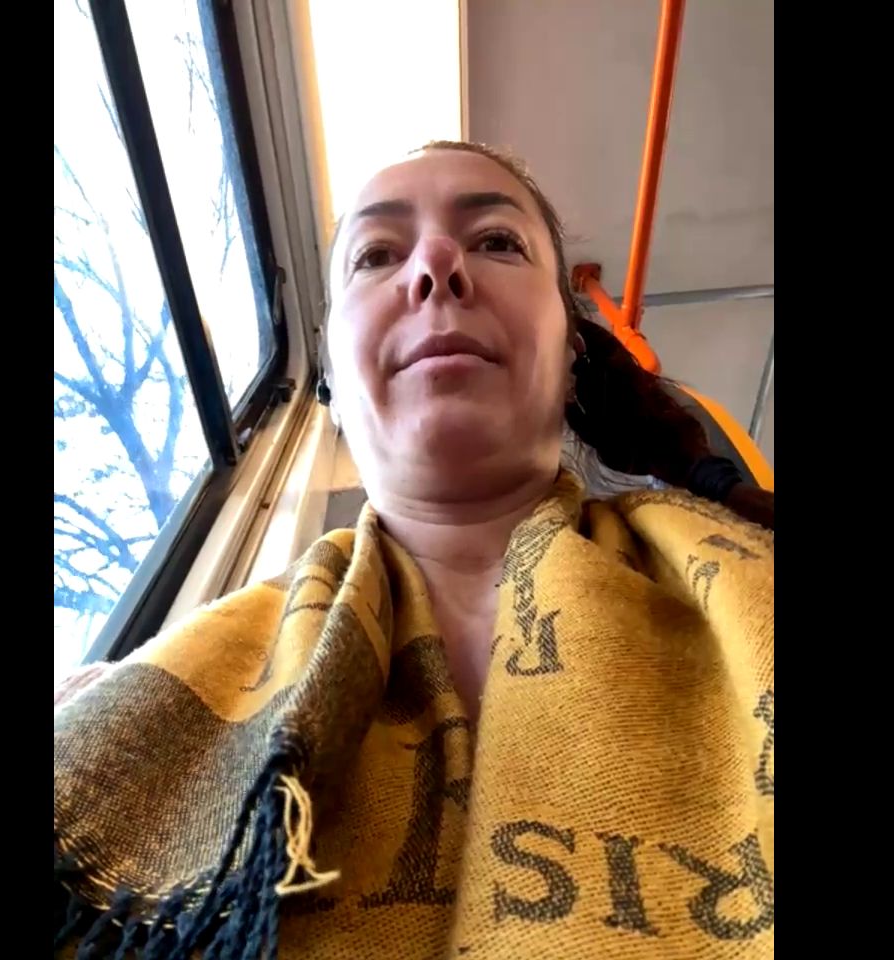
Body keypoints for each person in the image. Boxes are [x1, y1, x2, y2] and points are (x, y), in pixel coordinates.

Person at [55, 141, 774, 959]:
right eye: (376, 255)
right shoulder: (118, 727)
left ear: (573, 354)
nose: (435, 264)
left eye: (497, 241)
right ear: (331, 383)